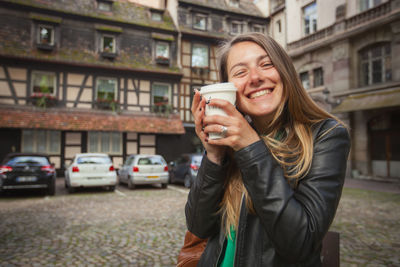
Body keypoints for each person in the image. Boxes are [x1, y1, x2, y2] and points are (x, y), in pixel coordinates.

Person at [185, 32, 351, 266]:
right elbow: (198, 226)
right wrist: (213, 155)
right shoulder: (228, 144)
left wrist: (250, 146)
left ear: (285, 72)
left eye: (266, 64)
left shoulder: (327, 136)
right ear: (228, 90)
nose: (255, 77)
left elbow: (300, 246)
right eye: (240, 72)